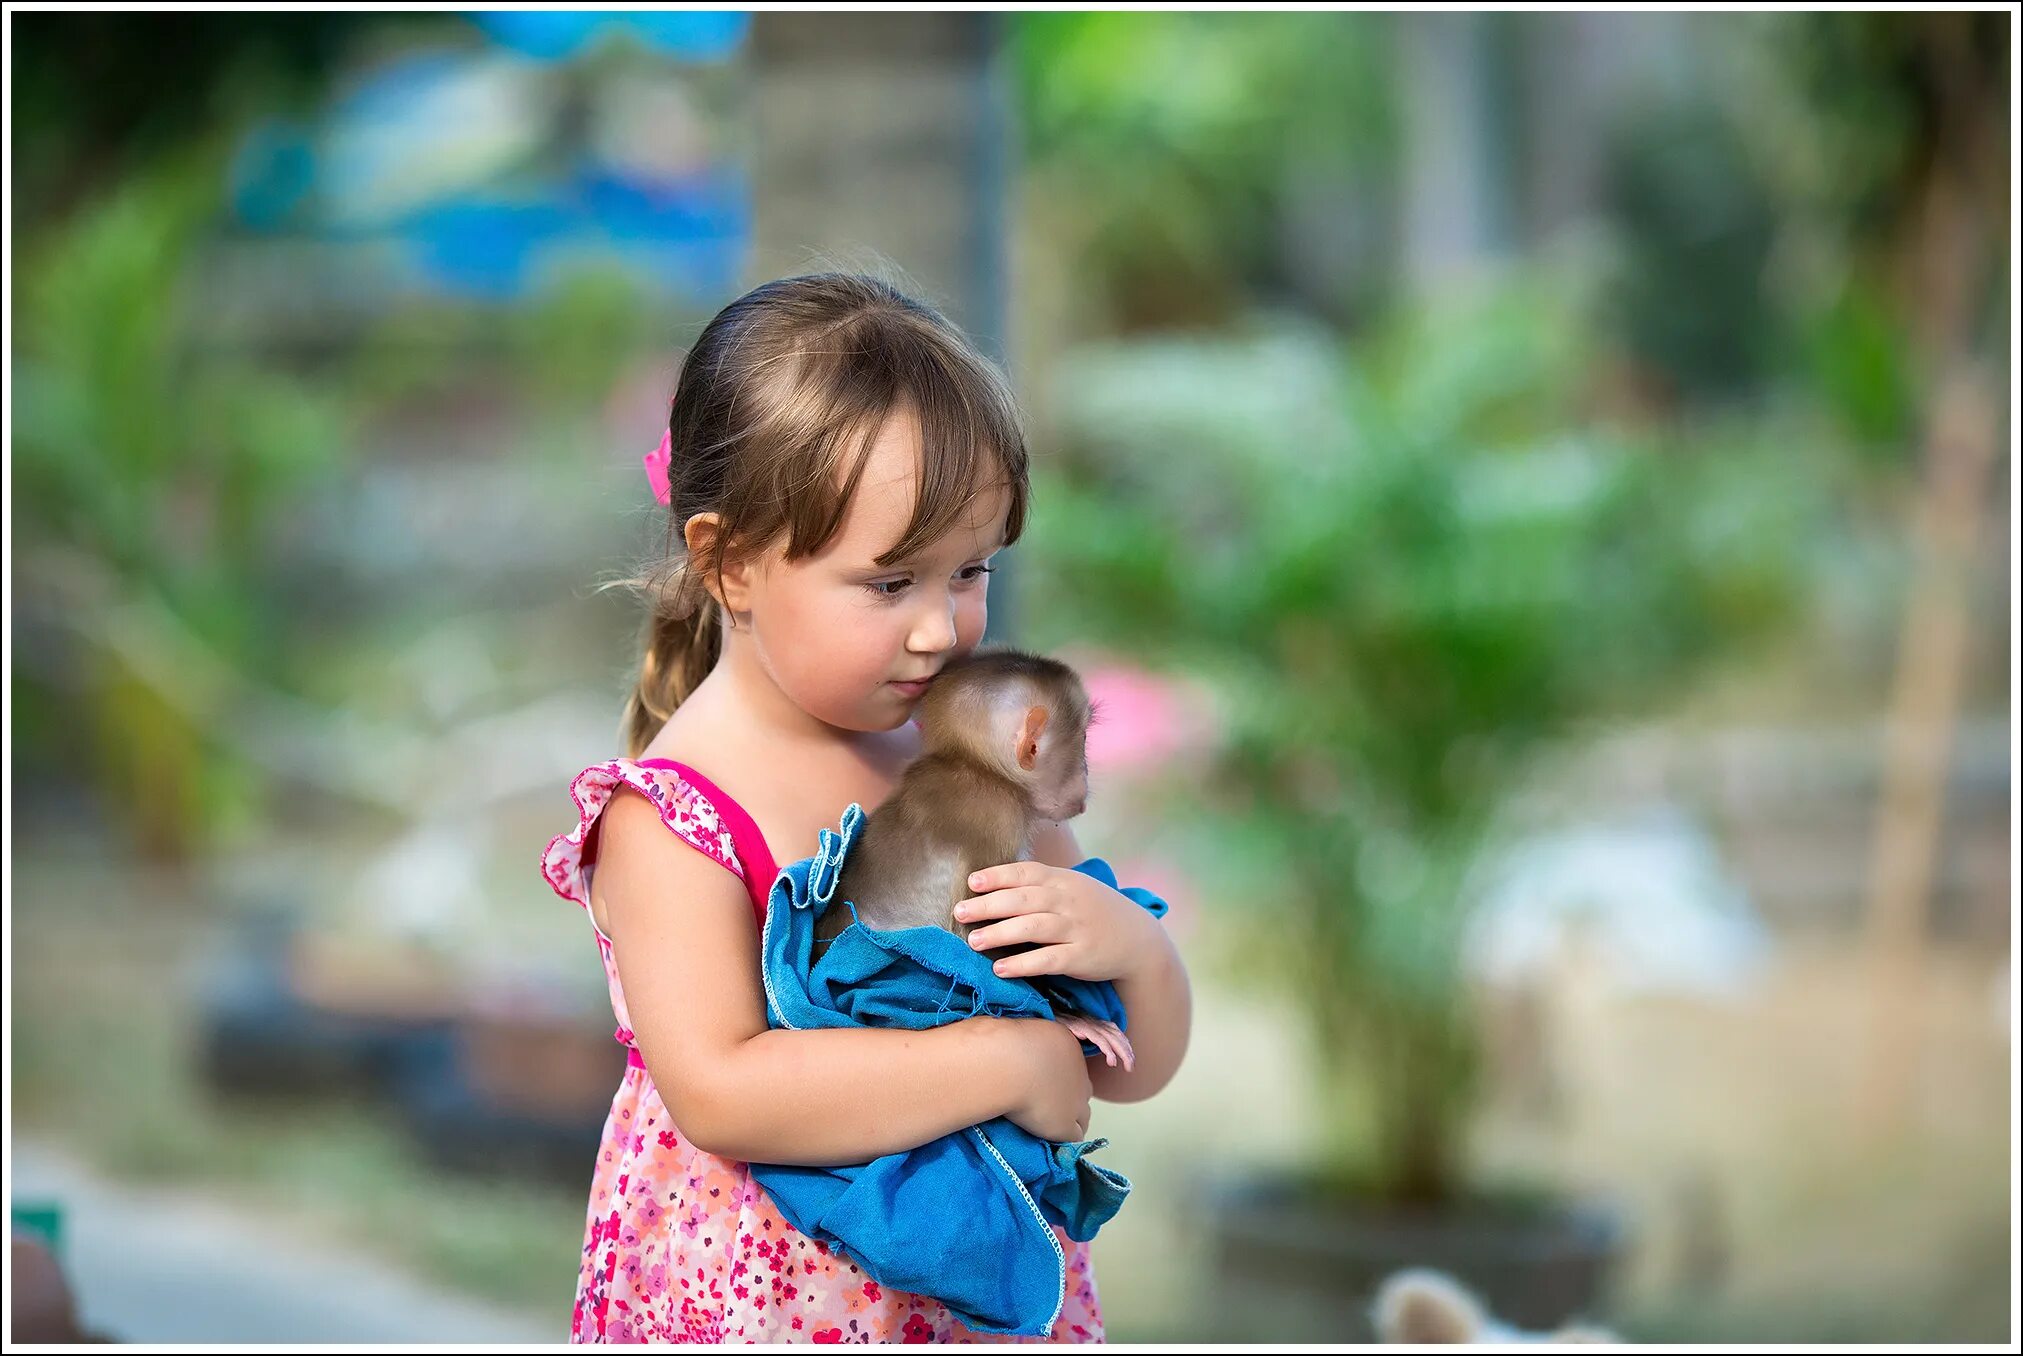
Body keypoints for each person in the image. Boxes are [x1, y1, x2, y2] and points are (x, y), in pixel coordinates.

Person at [541, 271, 1193, 1343]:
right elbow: (722, 1090)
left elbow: (1122, 1072)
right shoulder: (675, 815)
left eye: (969, 572)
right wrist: (1002, 1062)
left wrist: (1133, 951)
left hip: (966, 1304)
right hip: (766, 1310)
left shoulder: (974, 765)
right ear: (731, 561)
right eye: (891, 585)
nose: (941, 629)